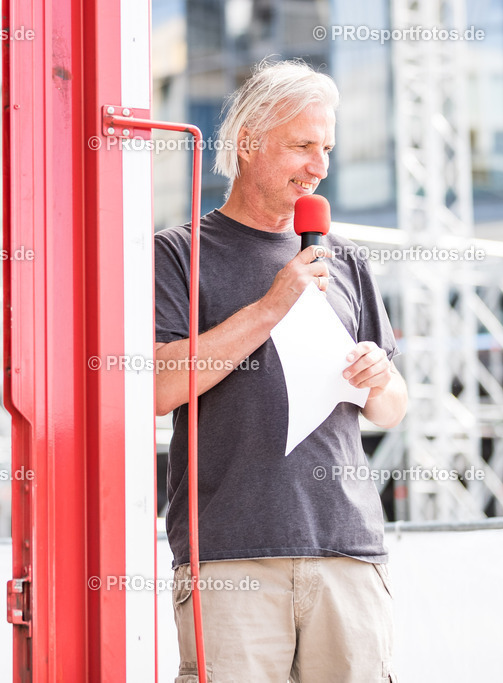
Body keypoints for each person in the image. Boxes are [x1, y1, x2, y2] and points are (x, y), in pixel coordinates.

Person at [154, 58, 408, 683]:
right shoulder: (179, 253)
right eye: (301, 146)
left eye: (326, 148)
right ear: (246, 144)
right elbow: (158, 387)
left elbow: (391, 407)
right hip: (232, 558)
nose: (319, 166)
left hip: (348, 552)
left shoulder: (345, 260)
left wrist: (380, 377)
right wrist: (272, 306)